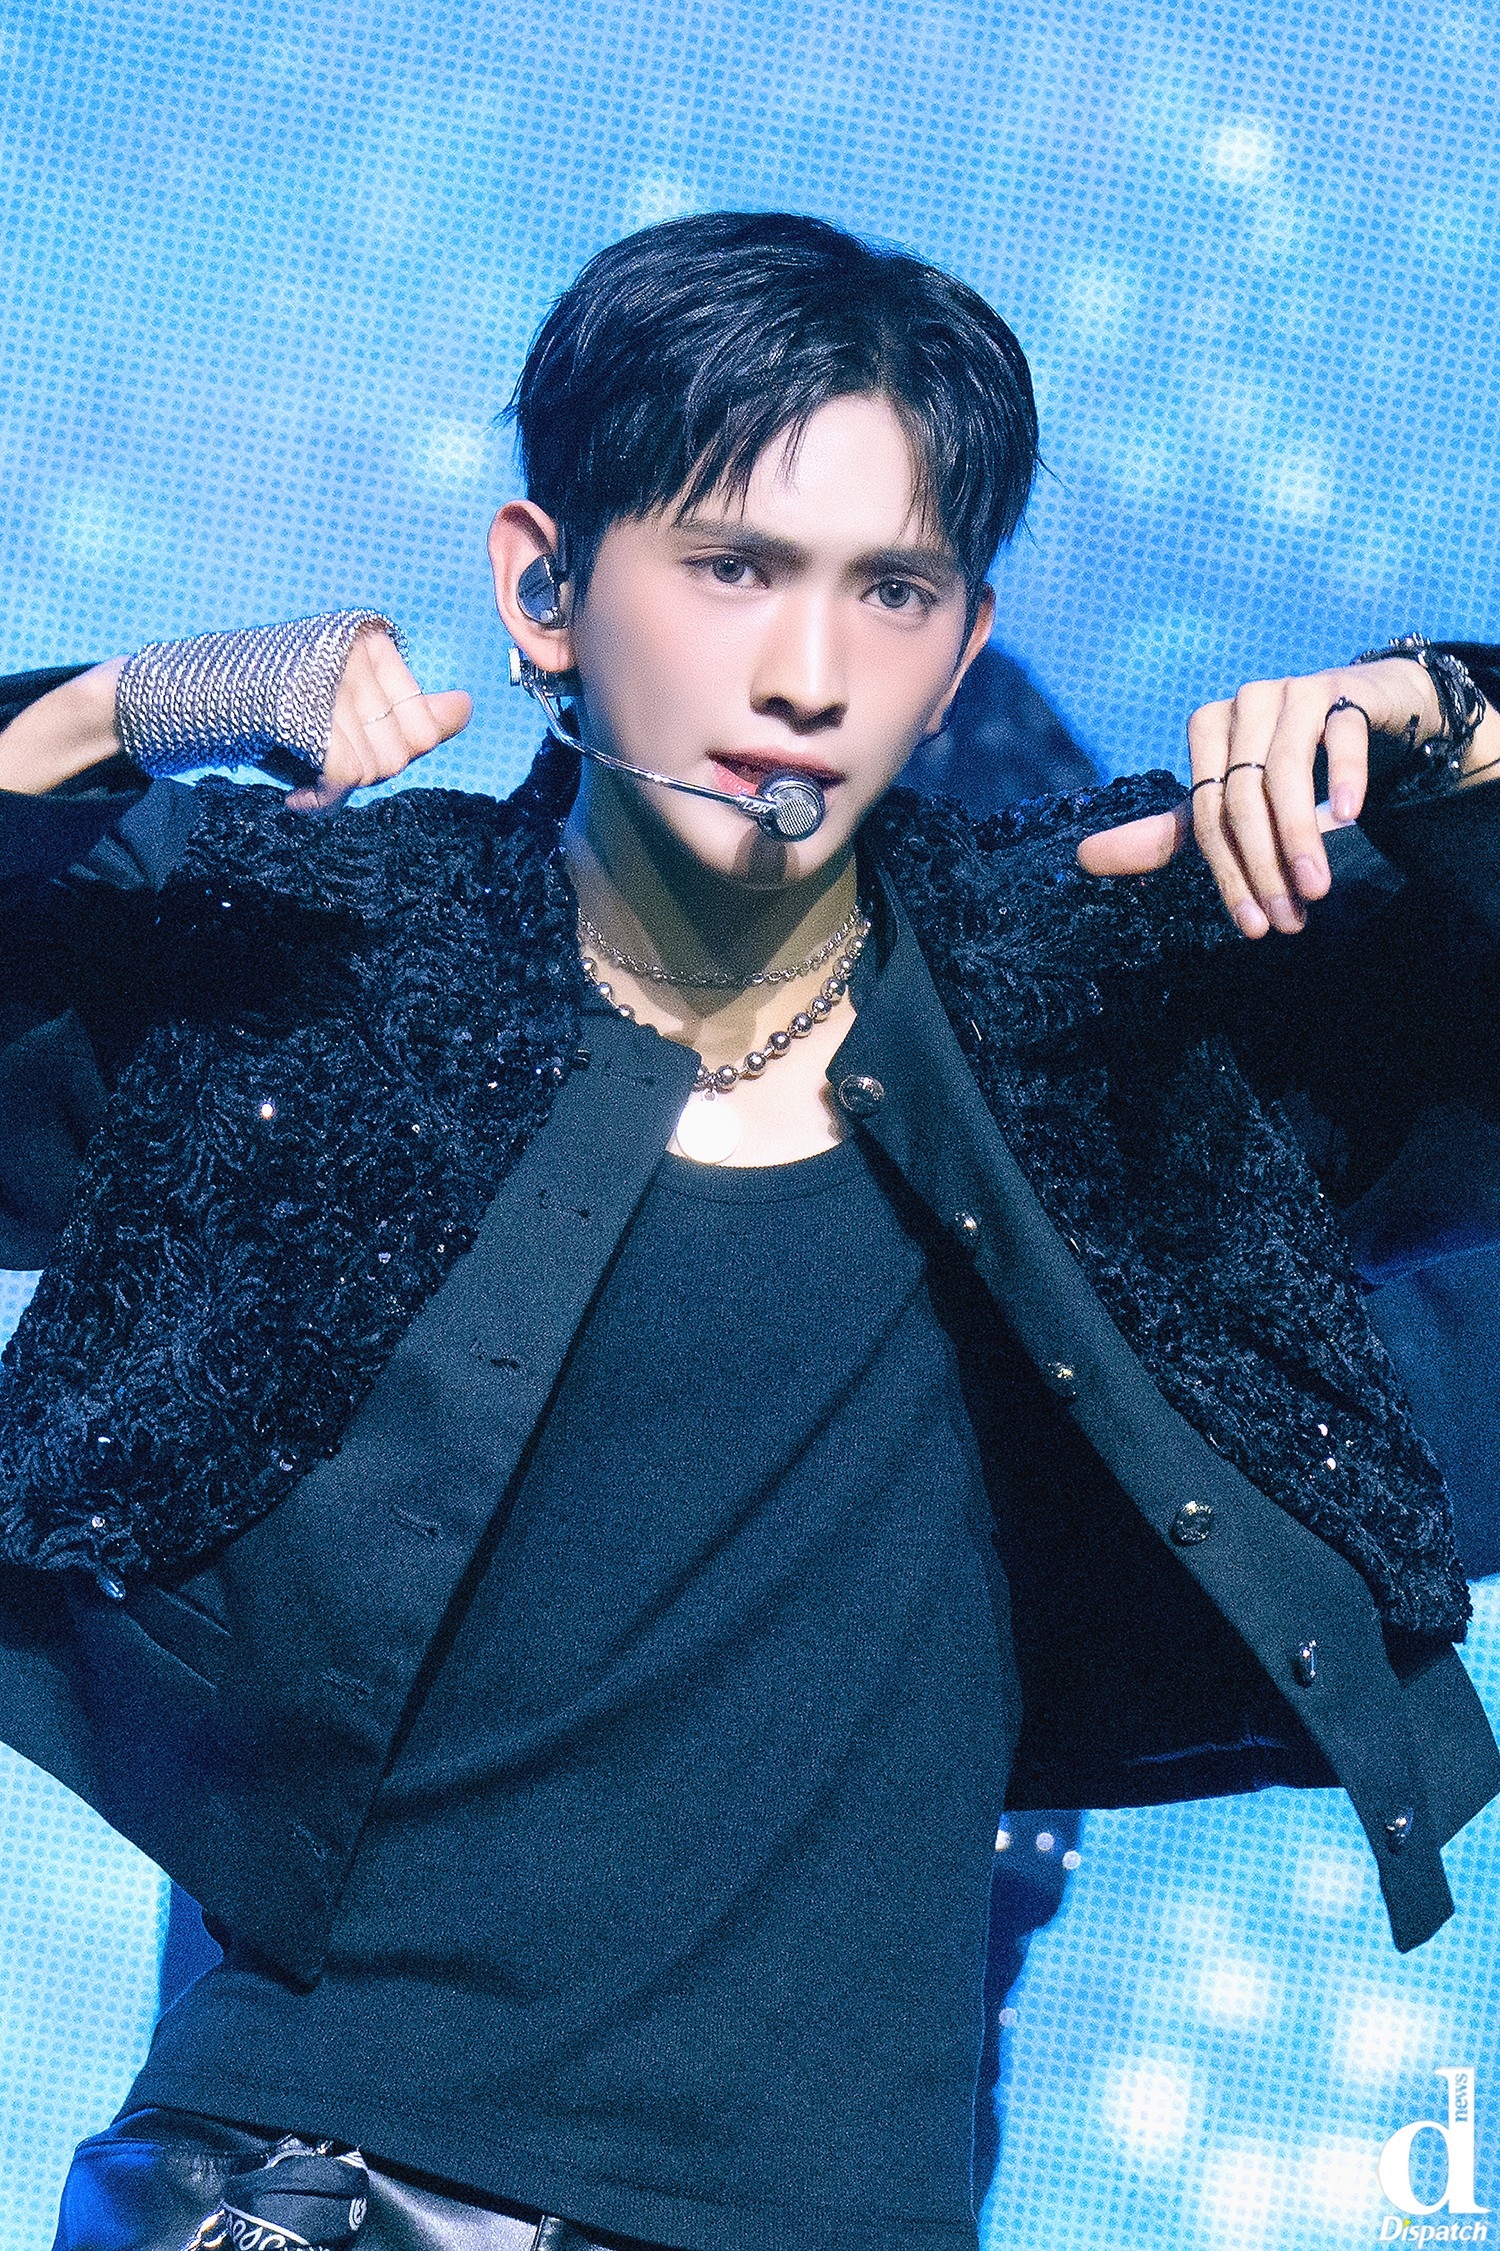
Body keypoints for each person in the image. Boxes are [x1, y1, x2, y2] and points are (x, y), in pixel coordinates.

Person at [1, 211, 1498, 2251]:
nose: (806, 673)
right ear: (543, 588)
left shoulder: (1096, 1025)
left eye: (892, 590)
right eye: (731, 566)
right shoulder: (313, 962)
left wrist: (1447, 719)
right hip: (306, 2189)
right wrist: (126, 709)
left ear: (964, 648)